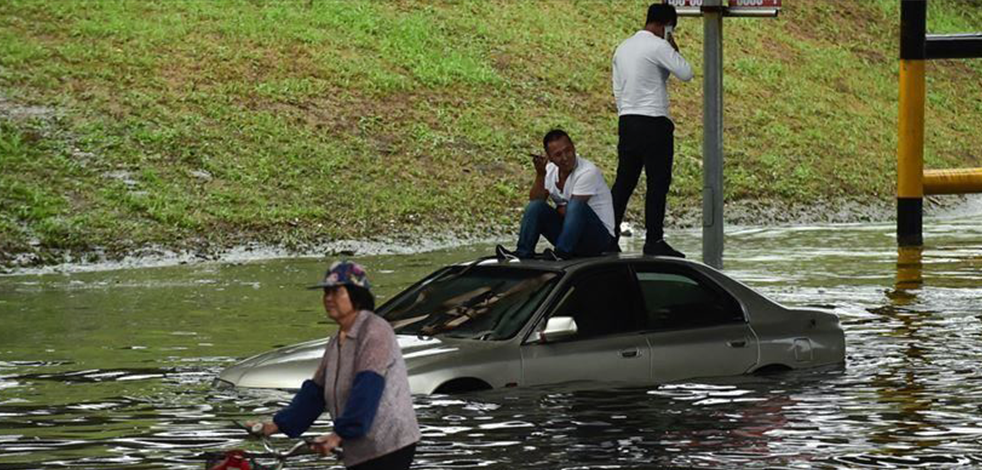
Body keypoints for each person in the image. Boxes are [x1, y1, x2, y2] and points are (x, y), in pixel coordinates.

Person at [248, 261, 420, 470]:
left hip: (388, 444)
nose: (328, 299)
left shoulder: (375, 330)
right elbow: (316, 391)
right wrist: (275, 425)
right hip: (358, 445)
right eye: (326, 293)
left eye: (336, 292)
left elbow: (367, 386)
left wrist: (339, 434)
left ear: (356, 296)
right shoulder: (337, 339)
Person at [611, 3, 693, 258]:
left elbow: (617, 89)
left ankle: (607, 234)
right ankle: (654, 239)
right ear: (665, 25)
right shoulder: (658, 45)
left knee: (624, 181)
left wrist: (626, 112)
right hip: (654, 121)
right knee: (657, 182)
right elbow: (686, 72)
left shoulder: (623, 48)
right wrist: (671, 44)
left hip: (627, 120)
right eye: (671, 29)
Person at [496, 129, 615, 260]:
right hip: (571, 236)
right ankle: (522, 252)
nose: (565, 158)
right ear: (549, 157)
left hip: (598, 239)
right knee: (536, 207)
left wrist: (561, 209)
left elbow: (573, 211)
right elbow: (536, 201)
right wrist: (540, 175)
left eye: (568, 151)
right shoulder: (550, 170)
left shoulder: (587, 171)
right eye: (558, 155)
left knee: (575, 206)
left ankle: (561, 253)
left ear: (574, 147)